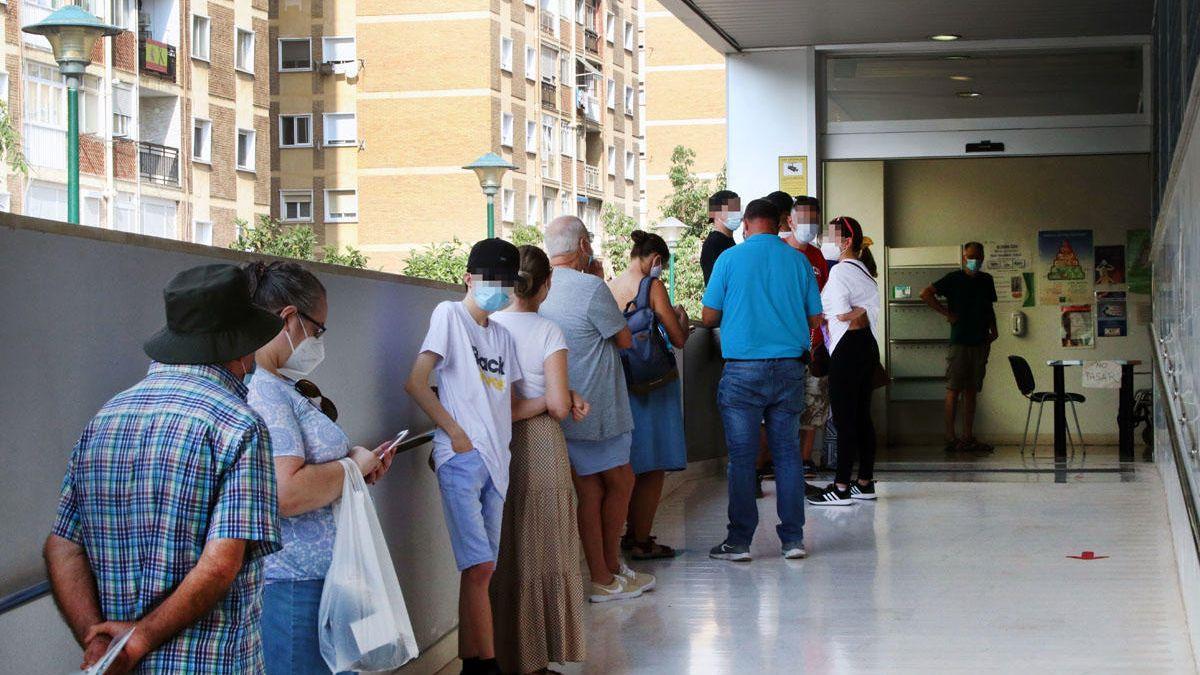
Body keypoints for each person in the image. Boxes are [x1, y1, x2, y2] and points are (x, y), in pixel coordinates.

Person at [44, 264, 284, 673]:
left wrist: (99, 640)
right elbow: (220, 563)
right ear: (240, 348)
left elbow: (62, 546)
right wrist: (139, 638)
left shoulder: (106, 417)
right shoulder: (239, 426)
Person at [242, 261, 399, 675]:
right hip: (294, 584)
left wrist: (357, 469)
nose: (318, 341)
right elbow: (285, 492)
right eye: (318, 329)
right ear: (289, 318)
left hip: (325, 577)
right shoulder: (264, 393)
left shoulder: (282, 386)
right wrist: (350, 467)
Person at [405, 238, 536, 675]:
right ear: (468, 277)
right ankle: (488, 665)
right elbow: (417, 382)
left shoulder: (502, 335)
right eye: (491, 280)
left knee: (481, 570)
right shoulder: (449, 315)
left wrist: (564, 399)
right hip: (463, 458)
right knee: (479, 565)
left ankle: (472, 663)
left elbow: (510, 403)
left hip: (498, 462)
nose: (500, 290)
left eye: (508, 282)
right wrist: (455, 433)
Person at [539, 215, 656, 602]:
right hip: (599, 407)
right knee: (621, 482)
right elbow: (623, 339)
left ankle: (603, 574)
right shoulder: (590, 287)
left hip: (558, 405)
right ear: (584, 246)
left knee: (589, 492)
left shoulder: (539, 288)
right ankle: (607, 572)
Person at [701, 198, 823, 562]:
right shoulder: (798, 261)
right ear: (780, 222)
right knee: (787, 455)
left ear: (747, 225)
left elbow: (709, 317)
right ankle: (793, 540)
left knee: (742, 458)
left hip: (742, 371)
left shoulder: (729, 259)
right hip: (788, 369)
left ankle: (739, 542)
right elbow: (816, 319)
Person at [489, 245, 589, 675]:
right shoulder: (548, 331)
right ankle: (536, 659)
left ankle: (506, 655)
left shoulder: (486, 326)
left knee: (504, 550)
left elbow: (499, 403)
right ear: (546, 285)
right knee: (546, 552)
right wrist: (556, 399)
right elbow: (558, 407)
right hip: (541, 447)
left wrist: (554, 398)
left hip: (494, 446)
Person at [608, 230, 690, 560]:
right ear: (656, 260)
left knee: (629, 462)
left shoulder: (609, 287)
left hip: (621, 382)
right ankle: (640, 539)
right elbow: (678, 338)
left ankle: (626, 535)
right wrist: (682, 319)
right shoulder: (653, 286)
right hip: (654, 384)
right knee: (653, 465)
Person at [809, 217, 882, 506]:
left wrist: (830, 316)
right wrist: (858, 310)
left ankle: (840, 487)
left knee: (844, 419)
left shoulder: (840, 272)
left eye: (830, 235)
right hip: (867, 348)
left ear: (846, 241)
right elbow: (863, 310)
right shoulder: (864, 270)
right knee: (862, 416)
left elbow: (840, 315)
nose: (825, 239)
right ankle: (863, 482)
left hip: (847, 348)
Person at [920, 241, 998, 453]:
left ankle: (967, 436)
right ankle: (950, 436)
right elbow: (925, 293)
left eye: (978, 257)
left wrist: (994, 329)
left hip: (980, 340)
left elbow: (989, 307)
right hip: (960, 341)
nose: (974, 261)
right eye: (970, 257)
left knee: (972, 390)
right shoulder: (954, 279)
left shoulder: (986, 280)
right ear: (964, 257)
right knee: (954, 389)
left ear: (982, 258)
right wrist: (947, 314)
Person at [784, 196, 832, 479]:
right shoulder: (779, 252)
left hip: (813, 346)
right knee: (783, 409)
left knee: (813, 407)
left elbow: (824, 300)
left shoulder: (816, 257)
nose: (808, 225)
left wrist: (822, 342)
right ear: (790, 220)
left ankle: (805, 459)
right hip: (784, 348)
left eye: (814, 219)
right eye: (803, 218)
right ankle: (776, 461)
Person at [700, 189, 741, 284]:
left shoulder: (727, 240)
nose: (736, 214)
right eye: (731, 210)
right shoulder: (713, 244)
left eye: (737, 209)